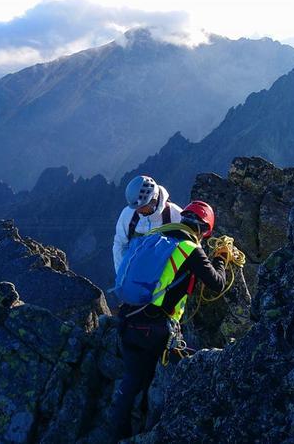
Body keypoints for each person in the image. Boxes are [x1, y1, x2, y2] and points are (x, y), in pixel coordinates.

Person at [109, 200, 229, 442]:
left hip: (127, 319)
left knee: (132, 379)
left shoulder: (151, 237)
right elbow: (217, 283)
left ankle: (117, 431)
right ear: (205, 231)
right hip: (157, 330)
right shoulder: (190, 249)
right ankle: (152, 430)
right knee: (167, 382)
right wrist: (221, 258)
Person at [113, 175, 183, 274]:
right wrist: (122, 274)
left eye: (142, 207)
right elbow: (120, 245)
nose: (138, 211)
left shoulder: (175, 215)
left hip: (165, 276)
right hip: (134, 276)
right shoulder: (128, 214)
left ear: (153, 201)